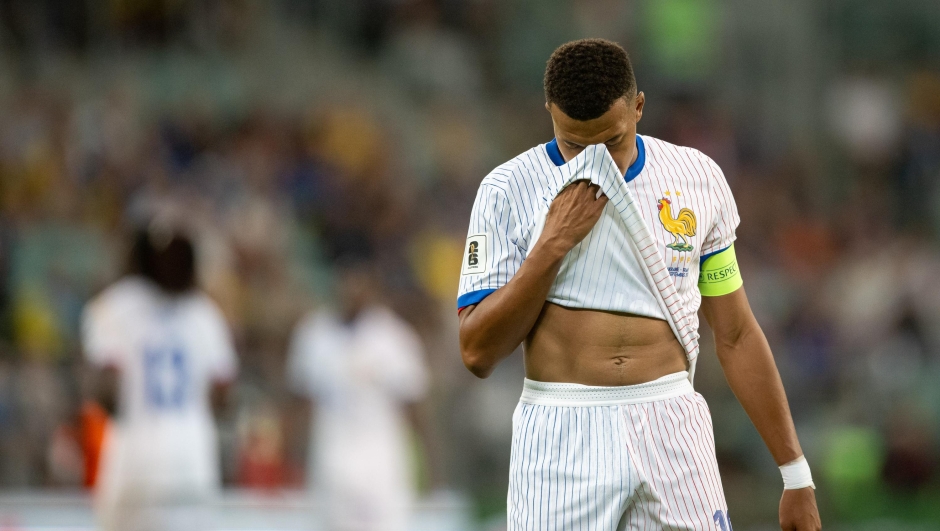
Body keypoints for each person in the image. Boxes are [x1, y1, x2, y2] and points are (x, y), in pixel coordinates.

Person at [457, 39, 822, 531]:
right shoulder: (506, 190)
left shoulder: (697, 179)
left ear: (639, 107)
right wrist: (551, 245)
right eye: (573, 145)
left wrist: (795, 474)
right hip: (563, 433)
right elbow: (476, 350)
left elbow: (735, 334)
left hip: (672, 425)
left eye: (609, 142)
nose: (593, 164)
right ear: (549, 114)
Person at [82, 226, 238, 531]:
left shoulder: (114, 306)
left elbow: (105, 391)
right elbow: (223, 393)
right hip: (192, 462)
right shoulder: (205, 314)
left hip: (135, 462)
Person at [287, 261, 429, 531]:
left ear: (371, 285)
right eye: (346, 280)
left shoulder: (394, 338)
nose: (352, 289)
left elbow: (415, 407)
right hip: (331, 458)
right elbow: (300, 403)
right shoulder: (314, 335)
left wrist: (429, 464)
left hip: (383, 461)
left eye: (358, 281)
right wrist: (292, 458)